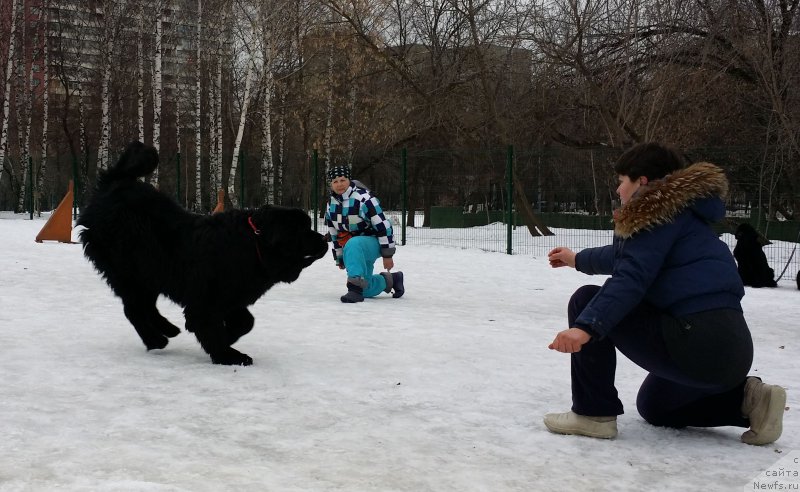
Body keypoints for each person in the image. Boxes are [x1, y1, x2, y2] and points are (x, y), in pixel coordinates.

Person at [543, 142, 786, 445]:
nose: (618, 190)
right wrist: (577, 259)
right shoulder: (683, 216)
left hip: (695, 341)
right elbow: (629, 256)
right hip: (731, 352)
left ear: (641, 181)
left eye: (622, 181)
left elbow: (630, 277)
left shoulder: (653, 216)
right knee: (654, 407)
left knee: (586, 300)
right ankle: (749, 402)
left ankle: (593, 414)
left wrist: (585, 327)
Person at [325, 165, 404, 303]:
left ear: (349, 179)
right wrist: (340, 257)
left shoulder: (364, 198)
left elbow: (383, 226)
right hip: (355, 249)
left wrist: (387, 255)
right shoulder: (331, 204)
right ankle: (392, 280)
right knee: (366, 288)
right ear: (331, 184)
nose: (339, 184)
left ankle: (354, 290)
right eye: (335, 181)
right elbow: (334, 231)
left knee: (354, 243)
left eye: (342, 180)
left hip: (375, 242)